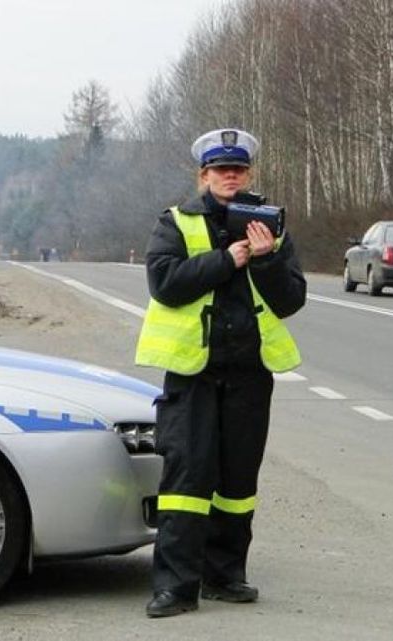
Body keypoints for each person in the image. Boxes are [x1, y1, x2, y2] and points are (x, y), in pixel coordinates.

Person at [134, 128, 306, 618]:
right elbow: (164, 283)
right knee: (187, 481)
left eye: (238, 169)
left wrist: (268, 258)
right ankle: (174, 587)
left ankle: (225, 576)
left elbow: (291, 298)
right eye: (220, 170)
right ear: (204, 175)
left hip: (250, 374)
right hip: (194, 375)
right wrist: (224, 260)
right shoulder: (177, 222)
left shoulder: (271, 226)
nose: (230, 176)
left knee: (237, 483)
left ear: (249, 174)